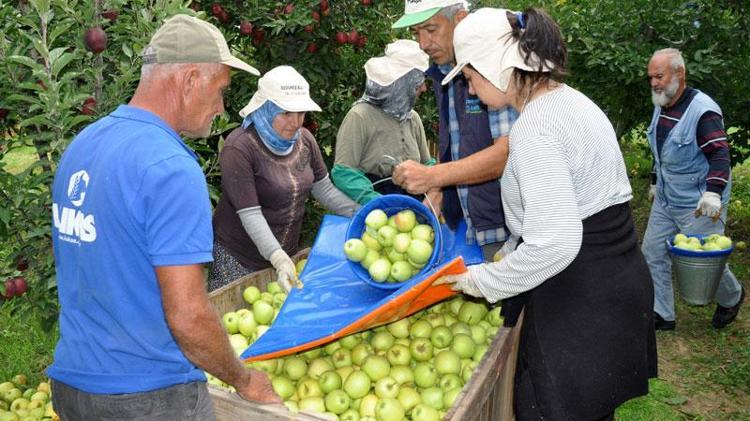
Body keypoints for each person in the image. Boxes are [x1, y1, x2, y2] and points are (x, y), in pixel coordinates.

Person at [48, 14, 280, 420]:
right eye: (220, 90)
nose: (220, 107)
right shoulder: (170, 167)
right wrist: (245, 380)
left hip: (74, 387)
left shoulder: (84, 144)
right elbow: (188, 317)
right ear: (189, 79)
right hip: (148, 396)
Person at [435, 8, 657, 420]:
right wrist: (512, 248)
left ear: (492, 66)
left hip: (581, 295)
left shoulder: (535, 128)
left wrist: (480, 281)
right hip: (618, 276)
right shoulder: (572, 102)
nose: (470, 89)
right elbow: (569, 204)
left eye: (469, 77)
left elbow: (555, 244)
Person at [210, 66, 359, 291]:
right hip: (240, 258)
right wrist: (277, 257)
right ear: (266, 109)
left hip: (286, 254)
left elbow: (324, 190)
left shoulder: (305, 141)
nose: (296, 122)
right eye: (286, 113)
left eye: (301, 113)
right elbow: (250, 214)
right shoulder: (239, 148)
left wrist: (362, 213)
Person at [391, 0, 519, 261]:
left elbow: (508, 153)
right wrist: (439, 191)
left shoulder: (491, 66)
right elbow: (458, 142)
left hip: (506, 229)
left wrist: (434, 176)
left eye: (431, 29)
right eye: (416, 33)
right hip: (471, 226)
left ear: (460, 19)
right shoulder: (443, 72)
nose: (423, 44)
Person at [642, 48, 744, 330]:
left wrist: (713, 193)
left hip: (697, 203)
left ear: (679, 74)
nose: (654, 83)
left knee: (703, 259)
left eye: (659, 76)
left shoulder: (703, 111)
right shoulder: (661, 103)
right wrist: (655, 181)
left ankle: (732, 296)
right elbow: (660, 149)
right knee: (652, 251)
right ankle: (662, 313)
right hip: (666, 198)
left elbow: (720, 155)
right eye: (651, 77)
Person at [332, 39, 435, 204]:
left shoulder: (412, 118)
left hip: (413, 208)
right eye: (418, 83)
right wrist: (379, 202)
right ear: (402, 85)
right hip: (373, 211)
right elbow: (343, 172)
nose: (424, 88)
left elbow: (427, 164)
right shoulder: (360, 116)